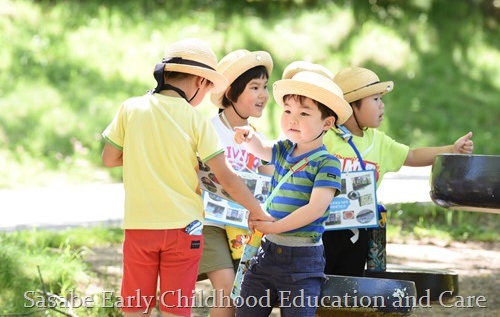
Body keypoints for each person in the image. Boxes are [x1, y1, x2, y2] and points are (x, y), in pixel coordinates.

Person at [101, 38, 273, 317]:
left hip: (139, 226)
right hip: (185, 230)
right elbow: (226, 178)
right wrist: (257, 211)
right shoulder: (196, 122)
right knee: (175, 309)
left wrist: (146, 155)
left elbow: (109, 159)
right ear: (200, 83)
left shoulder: (131, 108)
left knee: (135, 308)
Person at [317, 66, 475, 276]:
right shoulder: (325, 137)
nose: (382, 105)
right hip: (321, 229)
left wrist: (451, 150)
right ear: (349, 105)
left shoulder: (379, 142)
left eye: (381, 99)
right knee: (316, 284)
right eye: (375, 99)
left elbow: (412, 155)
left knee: (349, 287)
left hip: (361, 229)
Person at [233, 70, 353, 317]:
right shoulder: (285, 149)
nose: (292, 119)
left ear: (327, 123)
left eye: (304, 113)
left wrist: (274, 227)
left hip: (303, 260)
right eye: (287, 111)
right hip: (266, 252)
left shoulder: (327, 163)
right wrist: (249, 137)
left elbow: (315, 208)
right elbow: (264, 150)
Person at [198, 49, 274, 317]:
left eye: (264, 86)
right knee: (226, 290)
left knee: (244, 294)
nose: (263, 94)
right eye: (254, 87)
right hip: (210, 224)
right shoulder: (207, 129)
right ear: (230, 93)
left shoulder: (259, 140)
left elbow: (272, 179)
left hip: (244, 227)